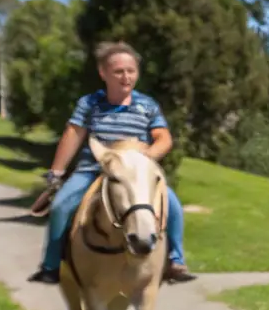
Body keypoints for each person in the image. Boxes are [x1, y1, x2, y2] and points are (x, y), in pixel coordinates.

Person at [27, 41, 195, 285]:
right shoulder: (89, 103)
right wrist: (56, 172)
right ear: (103, 73)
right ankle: (51, 266)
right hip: (93, 169)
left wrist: (146, 158)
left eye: (131, 71)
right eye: (118, 71)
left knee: (173, 205)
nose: (126, 77)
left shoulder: (147, 105)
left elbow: (163, 137)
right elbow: (73, 134)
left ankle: (175, 261)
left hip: (134, 173)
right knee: (62, 205)